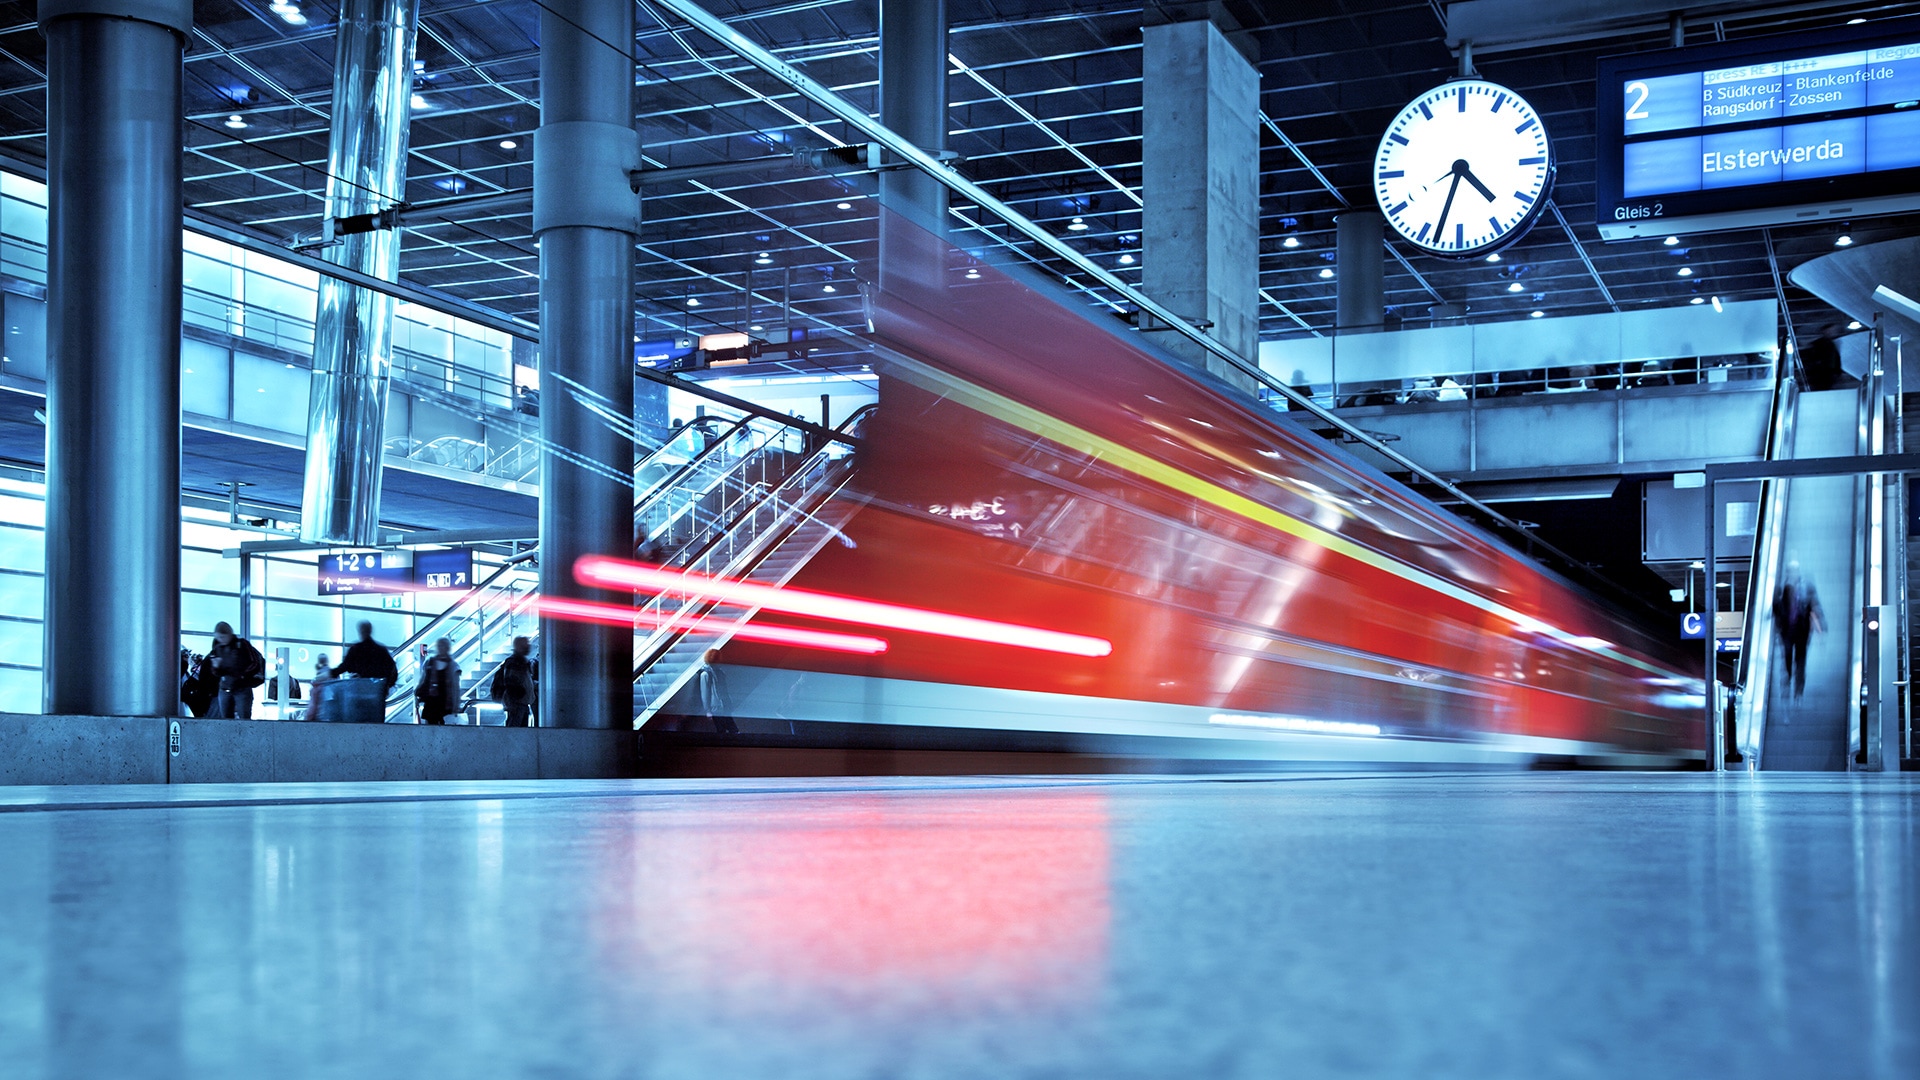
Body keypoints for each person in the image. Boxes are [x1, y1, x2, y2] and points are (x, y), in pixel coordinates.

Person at [1772, 560, 1826, 698]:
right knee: (1788, 658)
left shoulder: (1807, 586)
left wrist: (1821, 627)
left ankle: (1798, 691)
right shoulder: (1781, 588)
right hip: (1786, 631)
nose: (1793, 573)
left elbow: (1815, 605)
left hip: (1802, 631)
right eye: (1790, 570)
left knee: (1800, 661)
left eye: (1795, 570)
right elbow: (1776, 608)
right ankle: (1788, 681)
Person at [205, 621, 266, 719]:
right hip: (227, 687)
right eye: (219, 638)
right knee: (229, 718)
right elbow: (216, 672)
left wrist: (242, 675)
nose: (221, 640)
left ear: (229, 634)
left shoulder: (242, 645)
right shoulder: (218, 648)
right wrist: (216, 668)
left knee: (243, 717)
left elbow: (254, 662)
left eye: (222, 637)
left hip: (240, 687)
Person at [334, 620, 398, 693]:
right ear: (370, 631)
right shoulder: (381, 650)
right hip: (376, 691)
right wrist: (387, 685)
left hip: (360, 690)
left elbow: (345, 666)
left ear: (360, 631)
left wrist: (331, 673)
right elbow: (392, 668)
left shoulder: (356, 649)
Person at [489, 636, 538, 727]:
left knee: (518, 731)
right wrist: (516, 698)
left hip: (521, 703)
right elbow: (511, 683)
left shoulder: (523, 662)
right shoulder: (515, 662)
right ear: (519, 646)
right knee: (514, 730)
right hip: (516, 704)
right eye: (525, 644)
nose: (528, 646)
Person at [416, 637, 461, 725]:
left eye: (443, 646)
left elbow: (455, 688)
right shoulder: (430, 662)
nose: (441, 648)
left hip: (445, 702)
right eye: (440, 646)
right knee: (430, 725)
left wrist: (456, 706)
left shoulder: (453, 666)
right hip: (432, 701)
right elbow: (423, 680)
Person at [697, 648, 736, 734]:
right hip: (716, 707)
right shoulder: (706, 674)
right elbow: (705, 693)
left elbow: (724, 690)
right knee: (724, 730)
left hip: (723, 706)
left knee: (730, 730)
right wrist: (707, 710)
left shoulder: (719, 672)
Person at [307, 654, 335, 722]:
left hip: (319, 720)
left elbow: (312, 709)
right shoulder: (335, 681)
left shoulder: (317, 685)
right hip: (333, 719)